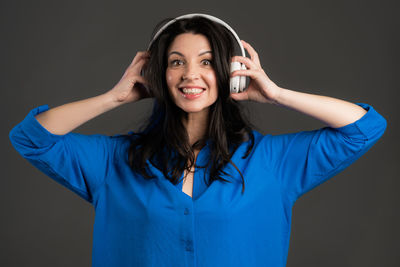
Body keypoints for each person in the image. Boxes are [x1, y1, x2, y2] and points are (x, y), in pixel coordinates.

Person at [9, 14, 386, 267]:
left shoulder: (271, 161)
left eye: (207, 62)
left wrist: (276, 94)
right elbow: (32, 137)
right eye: (176, 62)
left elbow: (365, 127)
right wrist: (113, 98)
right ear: (159, 75)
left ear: (231, 73)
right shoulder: (115, 160)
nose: (191, 74)